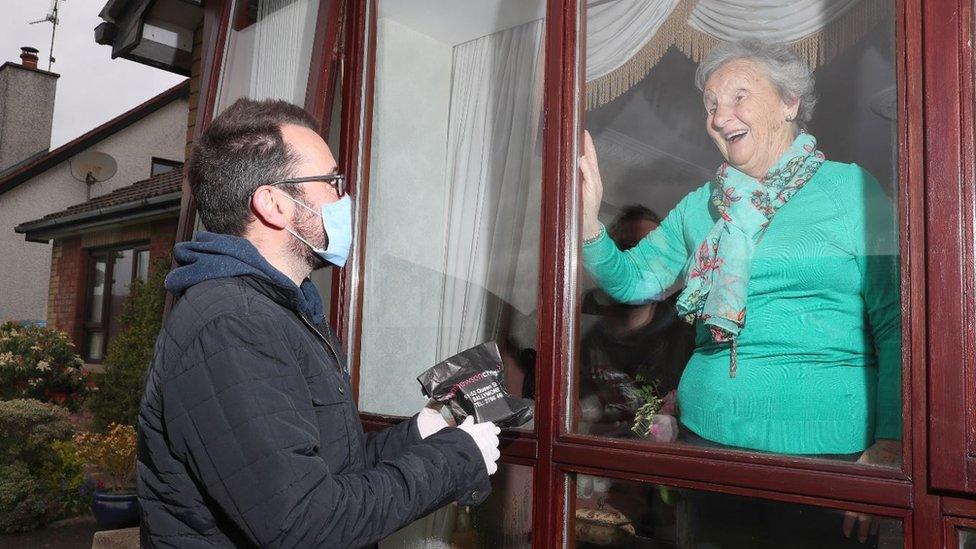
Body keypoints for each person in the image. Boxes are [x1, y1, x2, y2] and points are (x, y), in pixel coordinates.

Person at [137, 98, 501, 548]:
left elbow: (327, 470)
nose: (344, 198)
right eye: (331, 181)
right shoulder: (231, 325)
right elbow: (305, 524)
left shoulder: (281, 310)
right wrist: (458, 459)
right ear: (273, 203)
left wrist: (422, 432)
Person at [579, 38, 901, 544]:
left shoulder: (852, 192)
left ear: (790, 103)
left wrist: (890, 444)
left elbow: (896, 325)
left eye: (738, 96)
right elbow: (635, 282)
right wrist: (590, 224)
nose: (719, 115)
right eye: (710, 104)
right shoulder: (700, 206)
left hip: (829, 456)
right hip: (709, 442)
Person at [578, 205, 695, 439]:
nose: (640, 262)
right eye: (627, 250)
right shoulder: (581, 344)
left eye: (652, 253)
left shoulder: (690, 340)